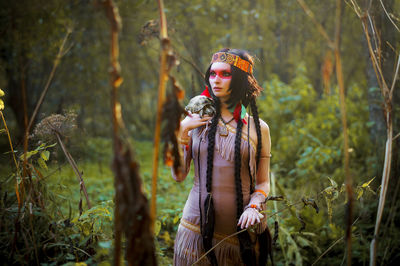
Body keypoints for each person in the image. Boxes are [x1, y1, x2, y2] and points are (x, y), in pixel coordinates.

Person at [171, 48, 272, 266]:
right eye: (212, 73)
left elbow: (263, 182)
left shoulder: (259, 128)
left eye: (225, 74)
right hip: (195, 230)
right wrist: (182, 133)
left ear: (240, 80)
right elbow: (179, 175)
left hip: (244, 234)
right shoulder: (195, 120)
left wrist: (255, 205)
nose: (216, 80)